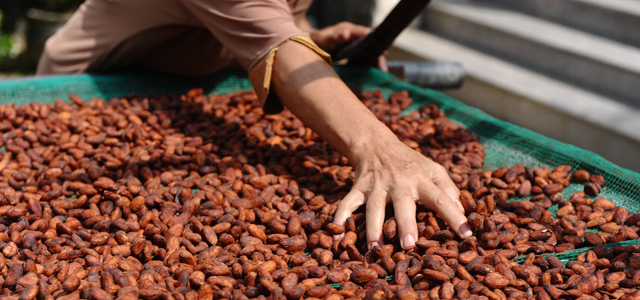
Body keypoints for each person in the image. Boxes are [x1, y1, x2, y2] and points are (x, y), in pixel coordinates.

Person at [37, 0, 472, 250]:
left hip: (195, 84)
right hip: (88, 92)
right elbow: (278, 49)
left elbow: (278, 22)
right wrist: (383, 151)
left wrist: (314, 40)